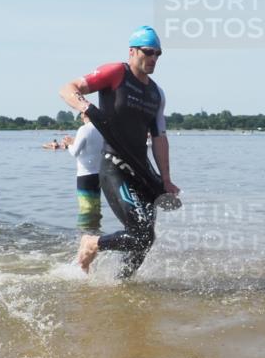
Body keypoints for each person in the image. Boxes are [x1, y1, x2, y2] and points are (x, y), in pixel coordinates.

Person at [58, 25, 180, 276]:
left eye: (158, 53)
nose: (154, 58)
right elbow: (67, 88)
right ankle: (92, 243)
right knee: (140, 233)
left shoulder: (157, 93)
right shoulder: (115, 73)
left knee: (145, 240)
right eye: (149, 52)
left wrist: (165, 179)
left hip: (142, 172)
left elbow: (159, 138)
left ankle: (120, 284)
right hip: (115, 166)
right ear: (133, 51)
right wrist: (85, 107)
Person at [66, 111, 104, 227]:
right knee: (96, 206)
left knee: (86, 208)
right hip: (99, 174)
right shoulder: (102, 128)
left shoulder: (84, 129)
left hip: (85, 175)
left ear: (84, 115)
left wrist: (68, 144)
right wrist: (74, 142)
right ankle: (96, 231)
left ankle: (84, 235)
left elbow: (74, 152)